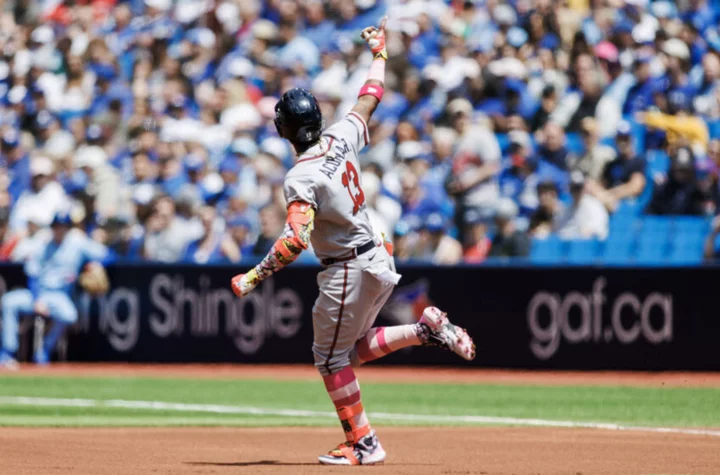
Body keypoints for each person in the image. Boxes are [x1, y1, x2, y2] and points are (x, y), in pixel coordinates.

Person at [230, 20, 474, 466]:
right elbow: (370, 95)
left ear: (283, 129)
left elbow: (294, 240)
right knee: (352, 350)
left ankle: (364, 443)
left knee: (328, 360)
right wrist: (380, 52)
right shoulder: (342, 135)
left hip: (347, 266)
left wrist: (254, 275)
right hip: (376, 253)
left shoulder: (299, 175)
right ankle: (425, 330)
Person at [0, 212, 109, 368]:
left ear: (68, 229)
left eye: (63, 227)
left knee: (69, 315)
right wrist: (37, 300)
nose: (59, 230)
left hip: (58, 296)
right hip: (37, 294)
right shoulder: (43, 245)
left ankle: (43, 351)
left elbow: (108, 254)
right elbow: (33, 275)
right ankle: (7, 353)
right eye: (57, 227)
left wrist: (94, 264)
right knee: (8, 302)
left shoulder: (77, 244)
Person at [587, 121, 647, 212]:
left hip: (626, 205)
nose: (623, 142)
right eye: (620, 139)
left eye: (626, 138)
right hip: (607, 202)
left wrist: (610, 195)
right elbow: (601, 184)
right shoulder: (611, 163)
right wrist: (605, 196)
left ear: (632, 139)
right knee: (589, 184)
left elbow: (635, 187)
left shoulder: (639, 162)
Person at [556, 171, 609, 240]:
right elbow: (559, 232)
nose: (576, 191)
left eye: (578, 188)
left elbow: (600, 230)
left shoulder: (595, 206)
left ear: (584, 188)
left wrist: (590, 231)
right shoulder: (566, 210)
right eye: (574, 188)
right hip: (571, 247)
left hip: (590, 247)